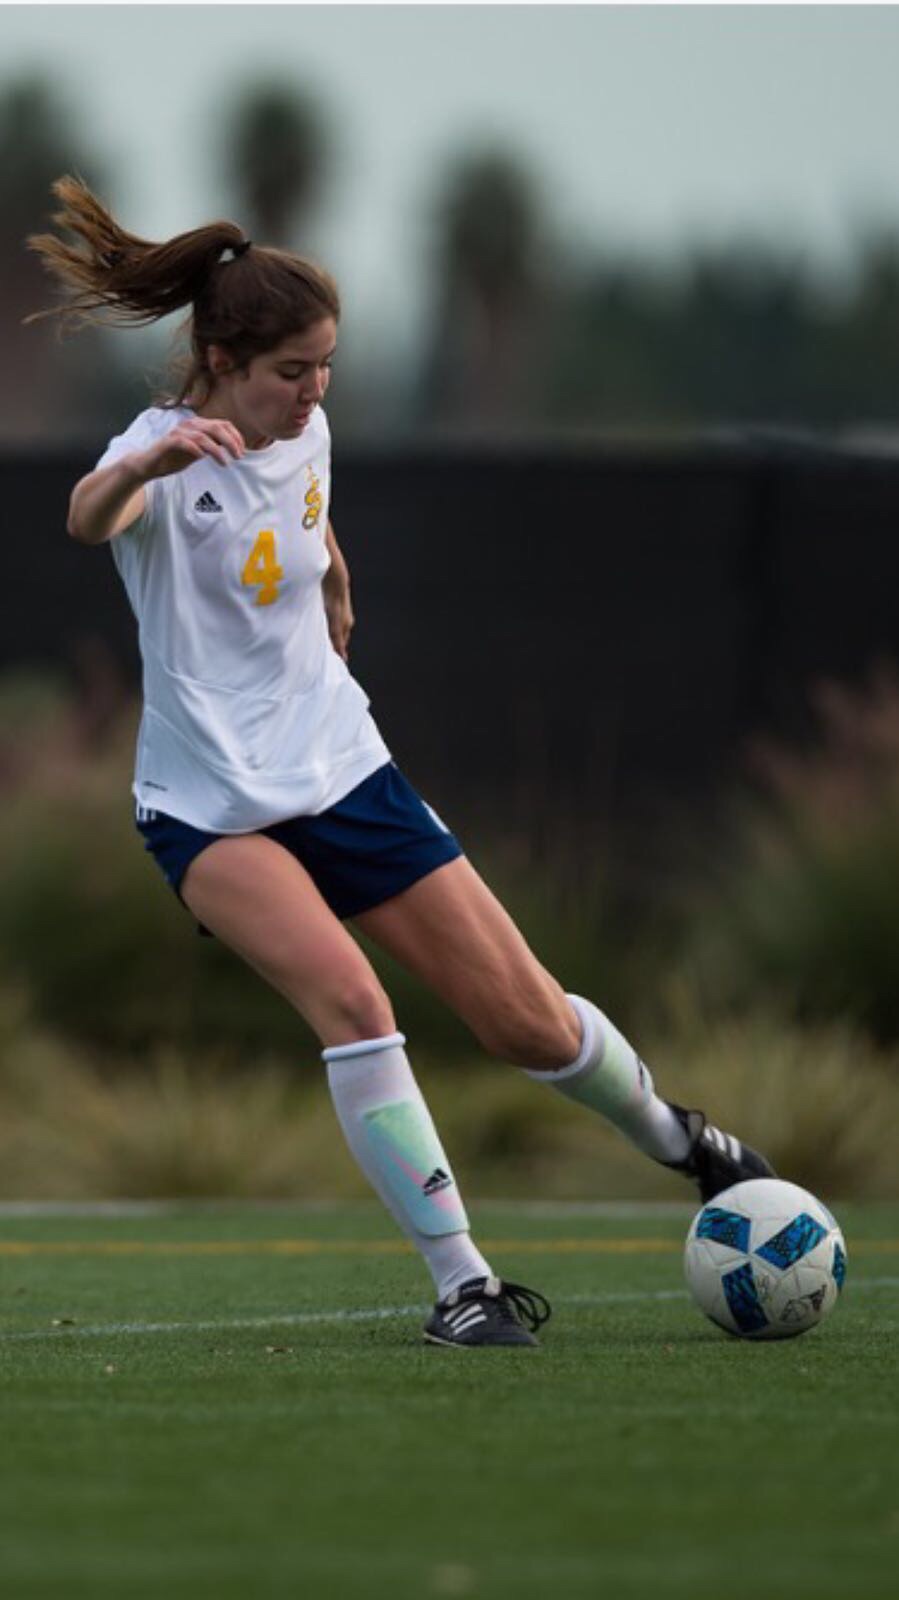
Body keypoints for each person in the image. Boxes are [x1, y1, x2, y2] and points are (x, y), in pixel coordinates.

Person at [28, 177, 774, 1349]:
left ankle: (684, 1141)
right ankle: (463, 1284)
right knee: (356, 1005)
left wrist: (330, 566)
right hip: (210, 809)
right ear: (219, 361)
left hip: (344, 770)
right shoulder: (156, 456)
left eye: (326, 364)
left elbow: (305, 501)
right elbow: (85, 517)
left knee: (526, 1023)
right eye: (292, 370)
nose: (316, 389)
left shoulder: (304, 425)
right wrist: (147, 465)